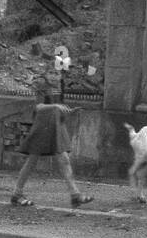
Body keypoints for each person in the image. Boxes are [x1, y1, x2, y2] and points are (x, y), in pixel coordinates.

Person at [10, 75, 94, 208]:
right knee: (32, 161)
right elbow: (38, 107)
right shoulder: (42, 83)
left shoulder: (60, 83)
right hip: (43, 126)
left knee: (64, 160)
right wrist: (56, 106)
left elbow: (59, 107)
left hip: (55, 125)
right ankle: (17, 193)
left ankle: (75, 194)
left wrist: (68, 111)